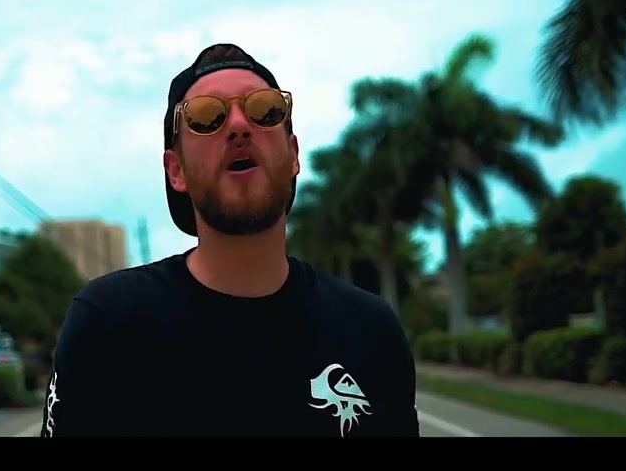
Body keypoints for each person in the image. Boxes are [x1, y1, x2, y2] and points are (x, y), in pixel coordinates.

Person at [40, 43, 420, 437]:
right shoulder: (107, 324)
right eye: (206, 117)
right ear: (176, 170)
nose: (239, 125)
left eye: (265, 110)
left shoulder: (371, 330)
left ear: (293, 155)